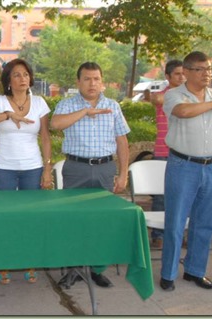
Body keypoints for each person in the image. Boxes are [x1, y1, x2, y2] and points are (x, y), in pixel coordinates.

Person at [50, 62, 130, 289]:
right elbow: (55, 124)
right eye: (87, 79)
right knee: (74, 220)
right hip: (77, 169)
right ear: (78, 82)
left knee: (101, 220)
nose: (92, 83)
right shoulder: (67, 105)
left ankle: (97, 269)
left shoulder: (112, 106)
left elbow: (122, 141)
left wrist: (122, 174)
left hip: (105, 169)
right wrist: (85, 111)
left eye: (96, 79)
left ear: (102, 82)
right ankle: (74, 269)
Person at [159, 51, 212, 292]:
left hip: (211, 167)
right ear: (188, 72)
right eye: (201, 70)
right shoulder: (174, 95)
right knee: (176, 222)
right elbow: (183, 112)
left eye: (209, 69)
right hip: (183, 166)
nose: (207, 74)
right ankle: (168, 274)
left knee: (205, 223)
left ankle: (195, 271)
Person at [0, 58, 53, 285]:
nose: (23, 79)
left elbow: (46, 138)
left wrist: (47, 169)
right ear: (9, 81)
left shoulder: (39, 102)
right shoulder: (0, 101)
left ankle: (29, 262)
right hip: (4, 169)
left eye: (26, 75)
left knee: (30, 218)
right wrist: (9, 115)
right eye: (17, 75)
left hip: (32, 168)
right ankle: (4, 262)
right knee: (5, 217)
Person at [148, 60, 186, 249]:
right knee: (161, 196)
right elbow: (156, 100)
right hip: (163, 152)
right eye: (178, 74)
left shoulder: (190, 96)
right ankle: (158, 234)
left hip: (185, 153)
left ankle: (178, 232)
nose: (182, 77)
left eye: (184, 73)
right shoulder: (162, 96)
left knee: (182, 195)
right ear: (168, 77)